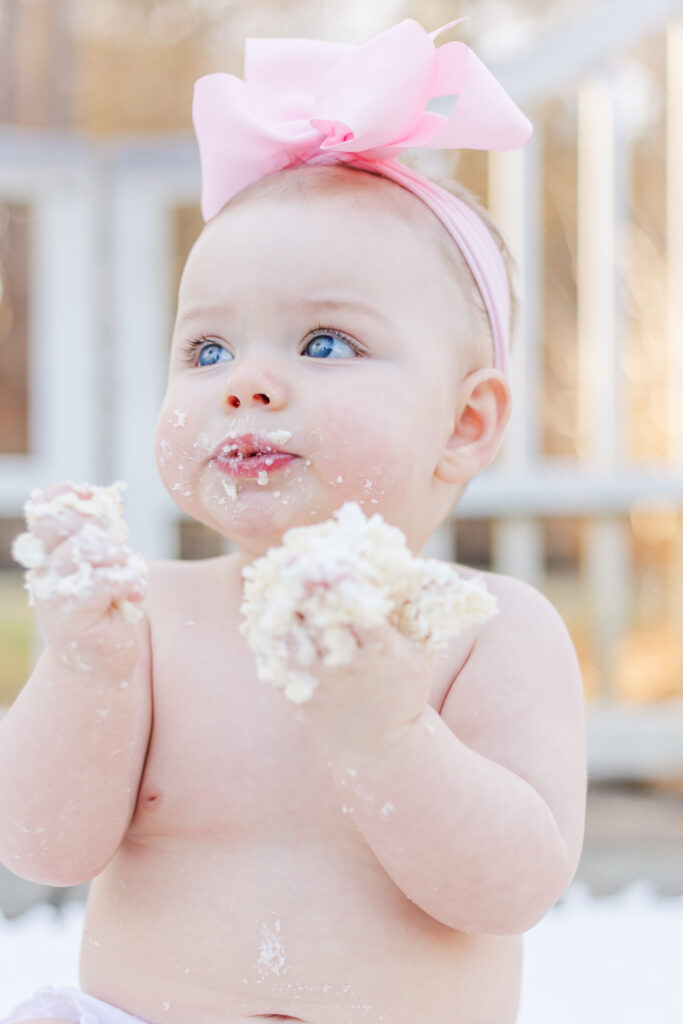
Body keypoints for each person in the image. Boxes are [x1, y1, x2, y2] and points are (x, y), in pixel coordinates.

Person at [0, 17, 586, 1024]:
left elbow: (512, 888)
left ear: (464, 421)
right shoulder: (150, 621)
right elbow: (42, 848)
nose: (245, 385)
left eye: (322, 341)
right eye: (209, 350)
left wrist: (386, 731)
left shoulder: (486, 634)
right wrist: (83, 668)